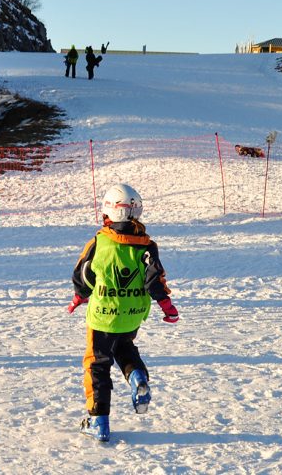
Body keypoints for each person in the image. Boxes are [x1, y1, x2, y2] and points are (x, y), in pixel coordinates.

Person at [68, 183, 178, 443]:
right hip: (132, 316)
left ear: (108, 212)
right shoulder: (147, 246)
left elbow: (83, 275)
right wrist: (167, 306)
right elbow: (155, 280)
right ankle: (137, 377)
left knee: (97, 365)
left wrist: (79, 296)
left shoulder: (99, 242)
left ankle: (98, 421)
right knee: (124, 347)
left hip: (103, 317)